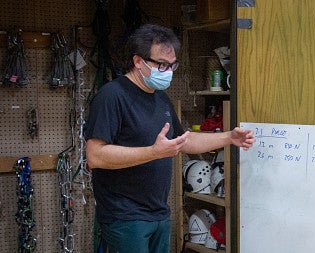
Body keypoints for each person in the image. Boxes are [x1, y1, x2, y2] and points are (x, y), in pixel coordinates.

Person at [85, 24, 255, 253]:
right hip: (125, 217)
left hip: (158, 213)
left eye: (172, 65)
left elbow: (184, 140)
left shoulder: (160, 99)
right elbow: (95, 156)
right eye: (161, 65)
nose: (167, 71)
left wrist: (229, 137)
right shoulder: (112, 96)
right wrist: (153, 152)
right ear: (138, 61)